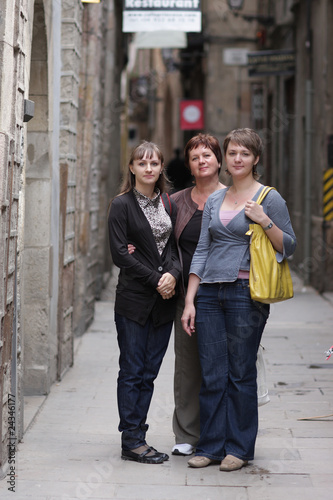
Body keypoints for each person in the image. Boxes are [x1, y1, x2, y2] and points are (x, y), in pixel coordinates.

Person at [181, 128, 296, 471]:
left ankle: (240, 448)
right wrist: (190, 299)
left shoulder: (268, 197)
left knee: (240, 372)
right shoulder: (215, 199)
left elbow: (288, 245)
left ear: (255, 158)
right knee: (212, 372)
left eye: (244, 153)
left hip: (246, 294)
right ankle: (211, 445)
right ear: (225, 159)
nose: (237, 159)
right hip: (209, 296)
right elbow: (202, 249)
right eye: (232, 153)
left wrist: (264, 220)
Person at [108, 141, 181, 464]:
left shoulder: (168, 202)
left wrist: (174, 276)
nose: (149, 169)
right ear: (132, 168)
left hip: (164, 302)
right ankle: (132, 439)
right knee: (132, 370)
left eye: (154, 164)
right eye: (142, 163)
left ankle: (139, 435)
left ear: (161, 168)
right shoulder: (121, 205)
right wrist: (157, 280)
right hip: (134, 302)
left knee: (149, 373)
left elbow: (177, 249)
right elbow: (120, 254)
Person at [170, 134, 226, 457]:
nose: (202, 161)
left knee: (221, 367)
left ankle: (221, 433)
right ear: (189, 165)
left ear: (218, 161)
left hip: (225, 296)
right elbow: (160, 241)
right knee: (188, 366)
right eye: (195, 157)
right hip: (186, 297)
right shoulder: (177, 202)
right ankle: (188, 433)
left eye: (207, 155)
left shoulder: (233, 199)